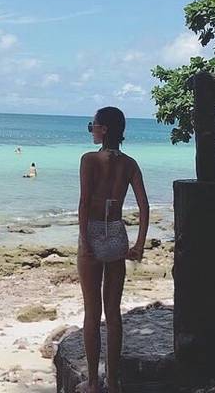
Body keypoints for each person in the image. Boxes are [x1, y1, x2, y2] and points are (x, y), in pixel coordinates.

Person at [77, 106, 149, 393]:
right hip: (117, 234)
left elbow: (84, 203)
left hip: (94, 232)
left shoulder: (89, 159)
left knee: (92, 314)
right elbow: (144, 206)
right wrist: (139, 244)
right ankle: (114, 382)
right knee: (114, 313)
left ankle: (94, 384)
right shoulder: (129, 164)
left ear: (104, 129)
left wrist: (85, 240)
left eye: (92, 125)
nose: (91, 130)